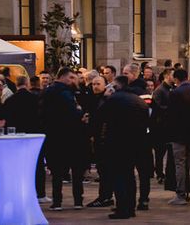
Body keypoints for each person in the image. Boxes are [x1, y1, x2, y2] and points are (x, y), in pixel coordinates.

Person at [101, 75, 149, 219]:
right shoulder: (138, 100)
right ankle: (130, 207)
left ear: (115, 87)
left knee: (119, 176)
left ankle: (122, 208)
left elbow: (101, 115)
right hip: (137, 142)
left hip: (118, 143)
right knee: (129, 176)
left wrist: (105, 97)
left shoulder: (114, 99)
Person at [42, 67, 89, 210]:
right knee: (76, 170)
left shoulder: (47, 92)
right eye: (72, 78)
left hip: (53, 137)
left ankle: (57, 202)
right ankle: (78, 201)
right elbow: (74, 112)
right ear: (63, 77)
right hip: (71, 136)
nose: (75, 81)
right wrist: (80, 113)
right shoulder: (65, 93)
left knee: (57, 172)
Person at [167, 68, 190, 205]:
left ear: (176, 79)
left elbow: (170, 115)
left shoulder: (175, 93)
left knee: (180, 164)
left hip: (179, 133)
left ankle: (181, 195)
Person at [122, 63, 152, 209]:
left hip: (135, 135)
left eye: (126, 73)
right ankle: (142, 199)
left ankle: (137, 199)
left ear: (133, 74)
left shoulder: (137, 91)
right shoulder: (143, 90)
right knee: (142, 170)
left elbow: (148, 112)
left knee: (136, 170)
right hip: (142, 135)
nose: (123, 76)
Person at [85, 75, 115, 208]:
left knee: (105, 170)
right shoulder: (94, 98)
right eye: (93, 84)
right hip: (97, 139)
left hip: (104, 140)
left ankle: (105, 196)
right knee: (102, 170)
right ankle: (105, 196)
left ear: (105, 85)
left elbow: (100, 117)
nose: (95, 86)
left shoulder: (106, 99)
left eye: (98, 84)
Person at [151, 69, 174, 183]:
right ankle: (159, 173)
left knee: (166, 151)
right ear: (166, 76)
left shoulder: (171, 89)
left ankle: (165, 173)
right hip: (160, 126)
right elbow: (158, 107)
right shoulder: (159, 90)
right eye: (172, 75)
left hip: (168, 124)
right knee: (160, 151)